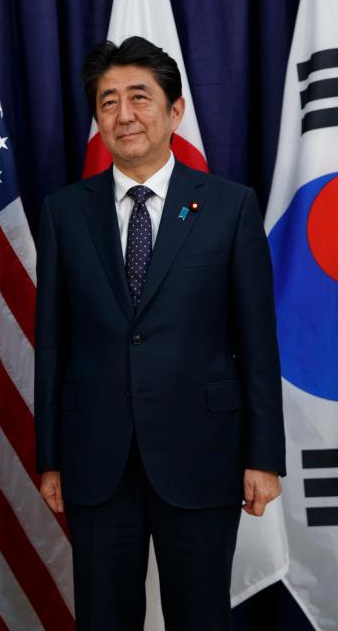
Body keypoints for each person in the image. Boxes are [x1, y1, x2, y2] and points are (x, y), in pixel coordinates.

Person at [34, 35, 286, 630]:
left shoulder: (230, 207)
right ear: (96, 118)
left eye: (140, 98)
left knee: (199, 617)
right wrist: (50, 458)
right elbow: (52, 345)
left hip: (204, 455)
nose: (124, 115)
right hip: (97, 461)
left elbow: (256, 342)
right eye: (108, 101)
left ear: (175, 110)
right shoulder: (66, 213)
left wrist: (264, 455)